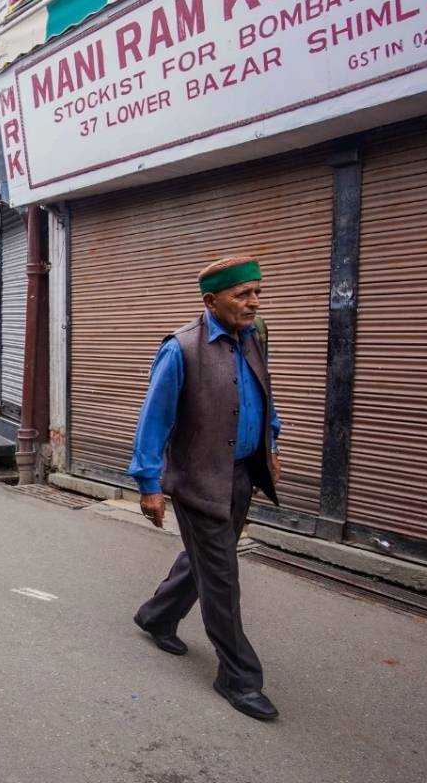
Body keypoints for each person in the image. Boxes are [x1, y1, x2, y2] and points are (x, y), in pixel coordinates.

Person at [129, 256, 283, 721]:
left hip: (240, 474)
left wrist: (271, 439)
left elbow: (264, 391)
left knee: (204, 561)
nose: (254, 303)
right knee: (222, 578)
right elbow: (153, 421)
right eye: (242, 295)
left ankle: (156, 615)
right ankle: (238, 677)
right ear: (211, 301)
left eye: (256, 291)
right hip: (198, 480)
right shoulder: (181, 349)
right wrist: (149, 485)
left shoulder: (256, 336)